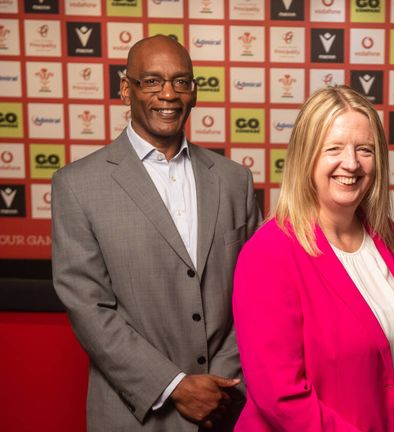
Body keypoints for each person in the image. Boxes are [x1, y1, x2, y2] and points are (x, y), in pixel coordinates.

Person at [52, 35, 260, 431]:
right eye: (151, 81)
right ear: (125, 89)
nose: (168, 93)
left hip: (228, 407)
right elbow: (88, 308)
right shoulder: (77, 185)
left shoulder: (235, 181)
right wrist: (176, 386)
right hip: (136, 415)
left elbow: (255, 292)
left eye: (181, 82)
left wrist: (222, 385)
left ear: (195, 93)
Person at [232, 86, 394, 432]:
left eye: (365, 150)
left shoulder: (390, 239)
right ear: (306, 156)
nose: (352, 163)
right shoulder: (269, 253)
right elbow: (281, 397)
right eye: (334, 149)